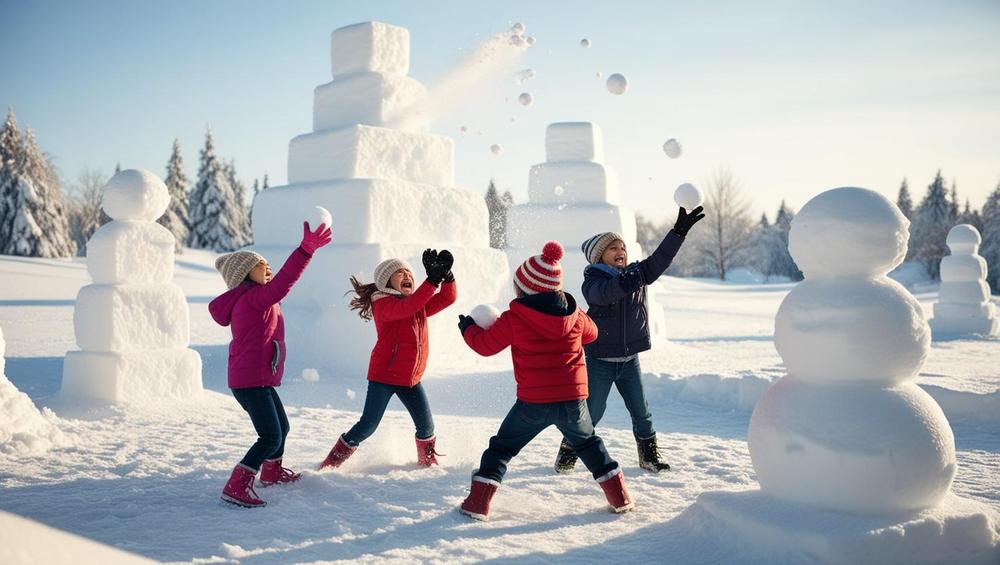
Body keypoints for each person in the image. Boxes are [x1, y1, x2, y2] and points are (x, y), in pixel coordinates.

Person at [457, 241, 634, 521]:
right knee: (588, 444)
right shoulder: (574, 315)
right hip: (573, 401)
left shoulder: (514, 317)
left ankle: (477, 504)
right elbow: (593, 334)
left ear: (524, 288)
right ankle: (619, 497)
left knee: (502, 448)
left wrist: (468, 328)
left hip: (533, 403)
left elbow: (485, 346)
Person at [554, 206, 704, 474]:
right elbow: (607, 294)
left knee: (641, 411)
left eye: (622, 247)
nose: (620, 251)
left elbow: (660, 260)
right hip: (600, 359)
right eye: (612, 248)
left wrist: (677, 232)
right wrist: (631, 278)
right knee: (593, 412)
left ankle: (648, 455)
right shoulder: (593, 282)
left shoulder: (636, 273)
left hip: (629, 359)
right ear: (599, 257)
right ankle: (569, 448)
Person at [210, 221, 333, 507]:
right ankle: (236, 485)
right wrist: (305, 251)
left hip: (257, 379)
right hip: (250, 381)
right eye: (260, 265)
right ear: (244, 275)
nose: (268, 267)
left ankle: (272, 471)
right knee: (269, 435)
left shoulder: (256, 298)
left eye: (267, 264)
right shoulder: (253, 298)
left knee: (282, 428)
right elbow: (284, 281)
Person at [319, 249, 456, 470]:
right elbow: (406, 307)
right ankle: (331, 463)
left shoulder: (416, 303)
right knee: (368, 425)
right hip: (384, 376)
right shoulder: (383, 303)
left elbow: (448, 298)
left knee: (426, 427)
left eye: (409, 273)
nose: (407, 276)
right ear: (386, 282)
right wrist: (432, 280)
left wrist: (446, 277)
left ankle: (427, 463)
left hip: (410, 378)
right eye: (400, 273)